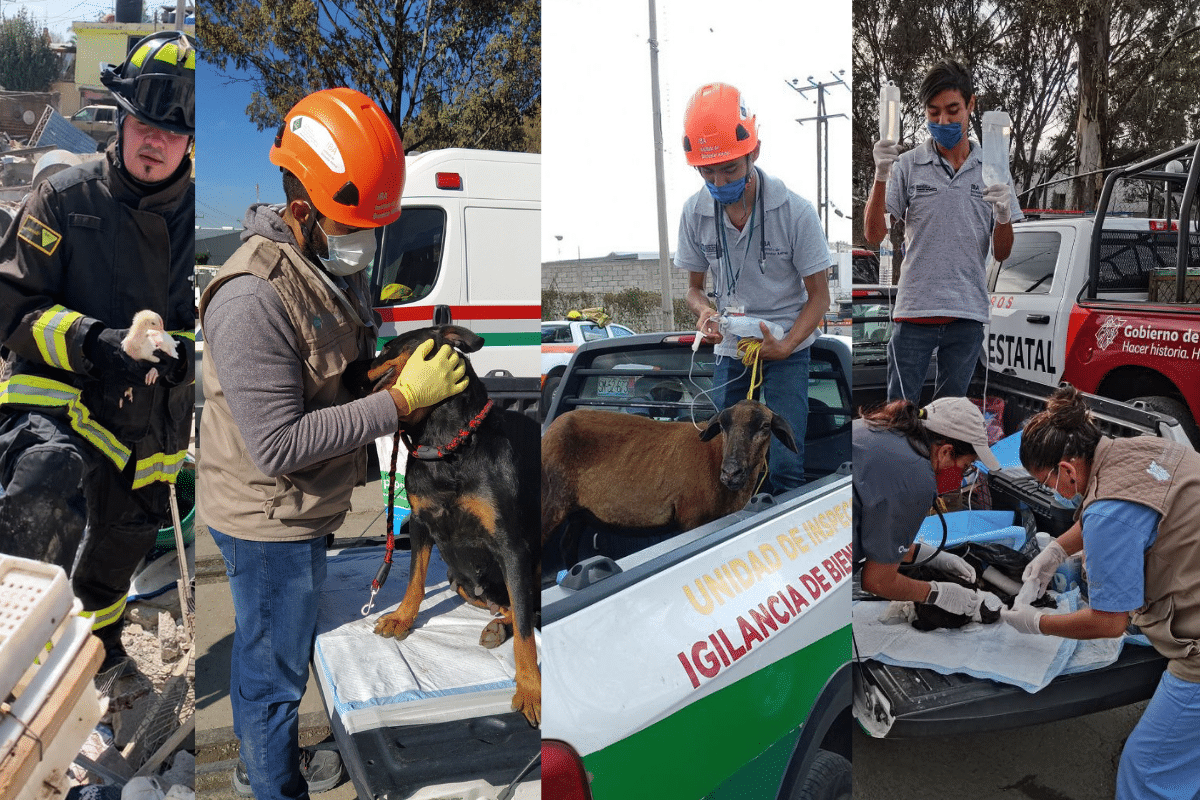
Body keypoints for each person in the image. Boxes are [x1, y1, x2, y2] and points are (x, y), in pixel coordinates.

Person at [197, 87, 469, 800]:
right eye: (353, 226)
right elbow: (280, 445)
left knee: (277, 660)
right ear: (299, 212)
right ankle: (272, 781)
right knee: (272, 676)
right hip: (268, 523)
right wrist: (402, 401)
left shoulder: (323, 267)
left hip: (304, 510)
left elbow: (336, 376)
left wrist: (391, 371)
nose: (368, 243)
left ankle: (266, 762)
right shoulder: (253, 297)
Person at [0, 30, 196, 674]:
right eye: (143, 122)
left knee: (123, 541)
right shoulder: (64, 198)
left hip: (150, 423)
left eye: (171, 131)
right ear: (123, 117)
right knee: (42, 492)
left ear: (190, 141)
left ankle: (98, 648)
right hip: (59, 407)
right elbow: (13, 309)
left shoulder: (202, 218)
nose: (153, 141)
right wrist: (95, 341)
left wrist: (190, 353)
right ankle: (18, 658)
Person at [999, 385, 1200, 799]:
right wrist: (1056, 550)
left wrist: (1037, 623)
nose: (1052, 491)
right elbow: (1109, 507)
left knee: (1146, 768)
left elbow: (1109, 622)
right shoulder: (1134, 448)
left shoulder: (1109, 515)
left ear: (1067, 469)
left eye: (1047, 481)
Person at [675, 82, 832, 493]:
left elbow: (820, 297)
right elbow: (693, 289)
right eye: (707, 171)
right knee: (725, 465)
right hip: (732, 347)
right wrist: (704, 312)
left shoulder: (795, 212)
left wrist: (785, 345)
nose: (718, 179)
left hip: (786, 345)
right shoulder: (694, 213)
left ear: (753, 153)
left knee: (784, 461)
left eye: (729, 168)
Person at [864, 59, 1024, 404]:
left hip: (967, 315)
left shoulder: (993, 170)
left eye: (953, 110)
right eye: (933, 112)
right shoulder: (906, 165)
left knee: (950, 419)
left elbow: (1002, 253)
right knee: (899, 415)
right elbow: (873, 235)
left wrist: (1003, 213)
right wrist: (880, 176)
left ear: (971, 105)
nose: (943, 121)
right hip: (913, 312)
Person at [852, 396, 1001, 614]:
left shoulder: (881, 429)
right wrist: (935, 593)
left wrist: (931, 557)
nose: (962, 477)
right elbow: (878, 582)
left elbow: (882, 535)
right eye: (966, 466)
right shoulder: (916, 479)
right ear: (945, 451)